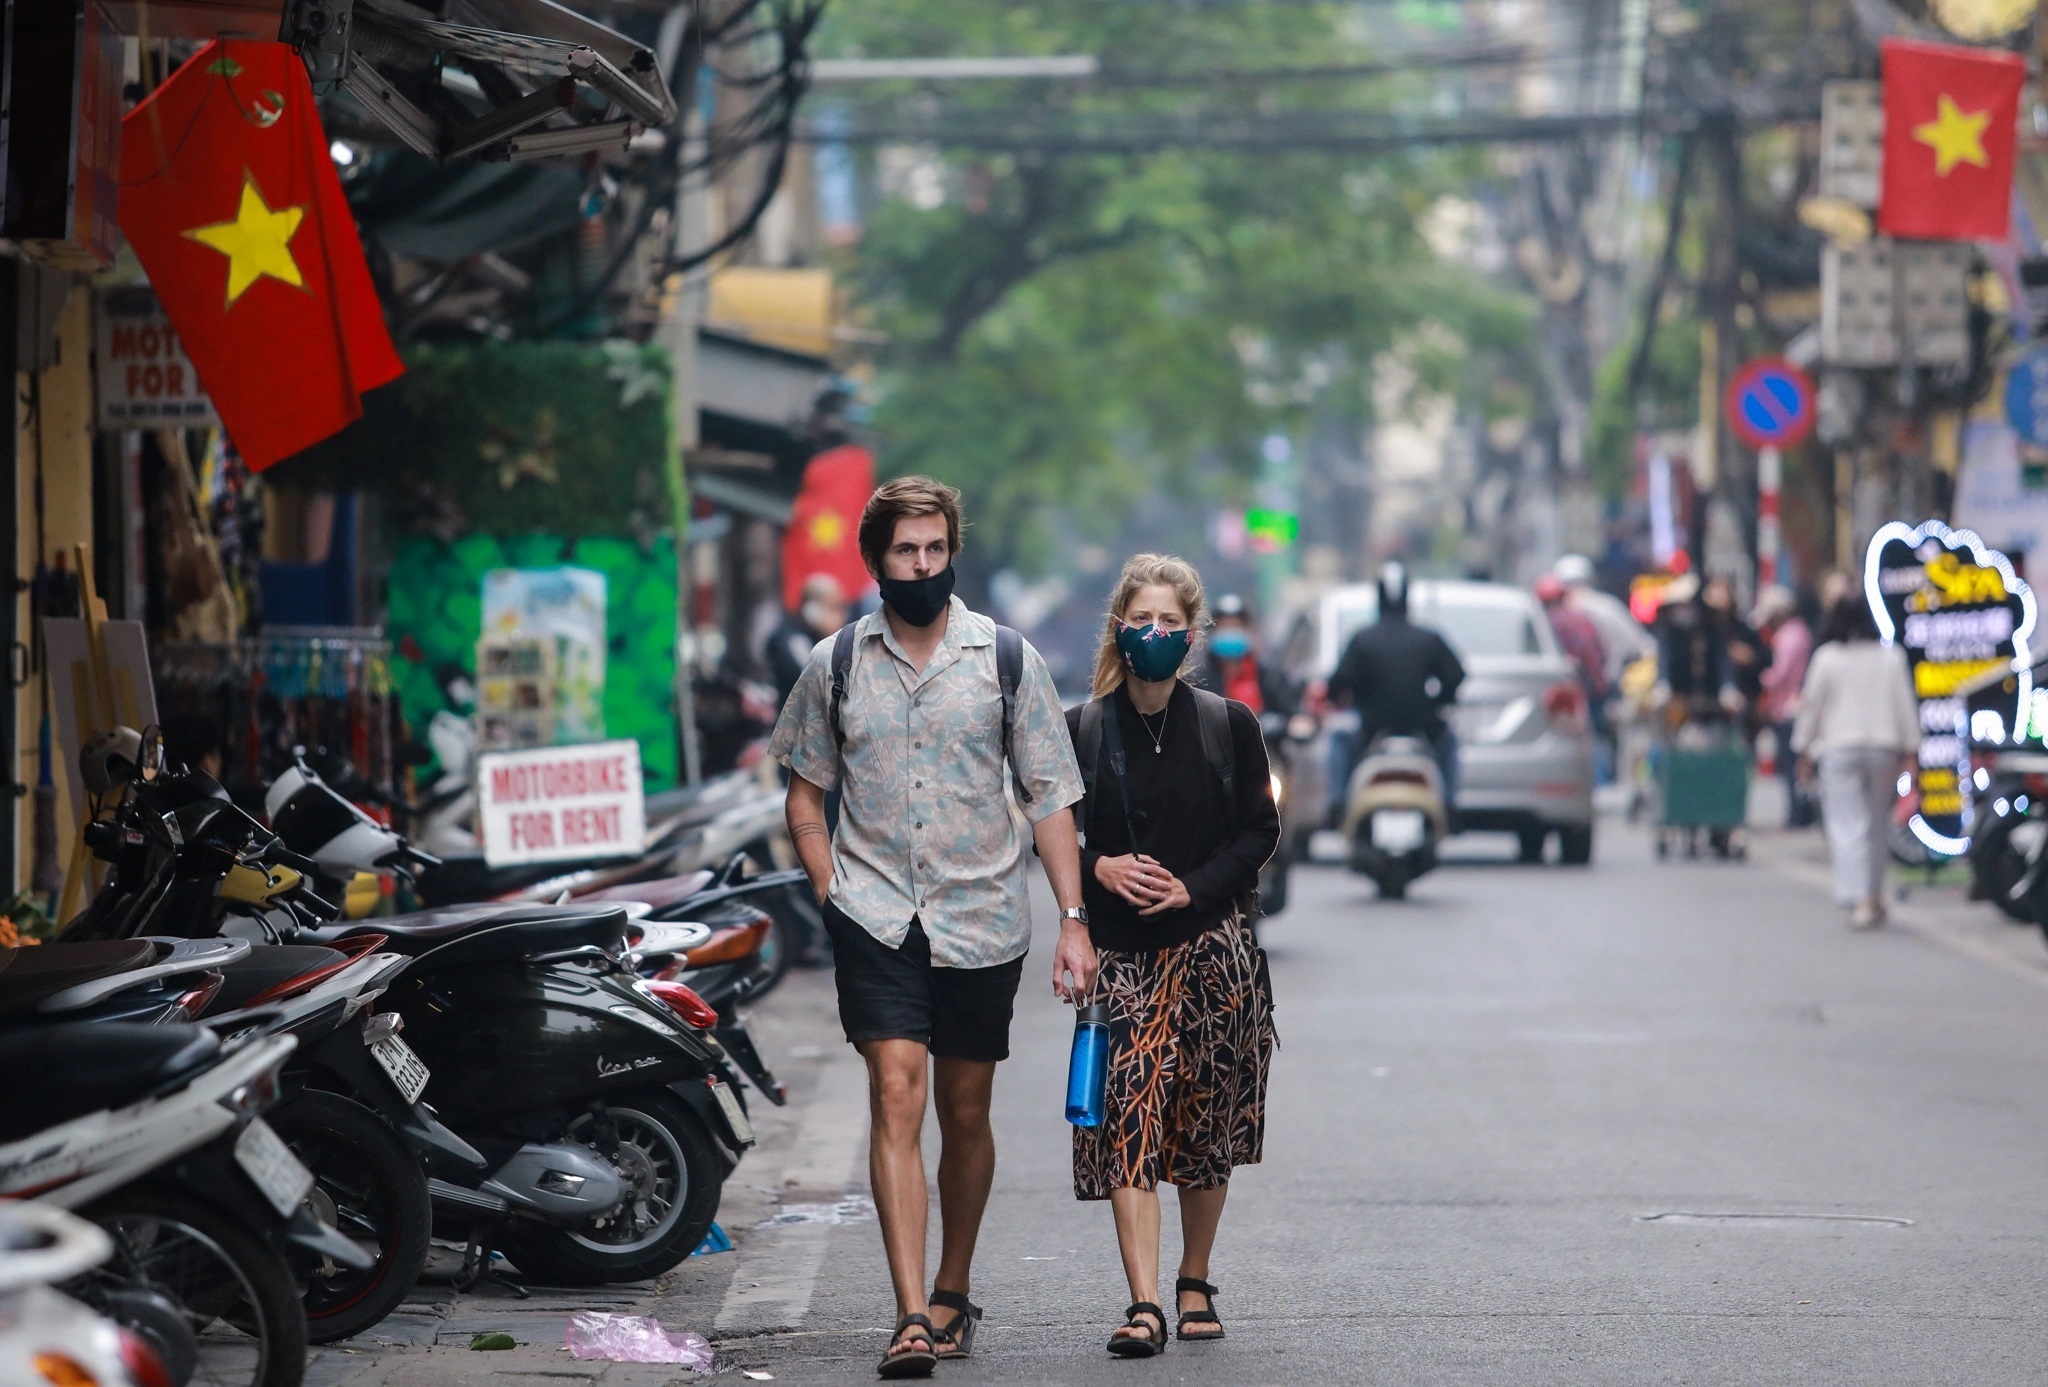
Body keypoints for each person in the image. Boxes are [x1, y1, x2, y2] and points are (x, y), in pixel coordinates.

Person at [769, 476, 1090, 1378]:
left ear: (953, 554)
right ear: (875, 560)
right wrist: (829, 883)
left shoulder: (1007, 659)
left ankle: (953, 1283)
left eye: (935, 550)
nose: (921, 565)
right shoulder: (834, 663)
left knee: (966, 1108)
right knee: (896, 1091)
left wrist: (1072, 920)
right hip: (875, 912)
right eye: (905, 551)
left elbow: (1051, 799)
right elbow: (804, 788)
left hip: (983, 915)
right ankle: (911, 1312)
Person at [1063, 554, 1279, 1359]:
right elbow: (1053, 834)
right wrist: (1099, 867)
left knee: (1204, 1125)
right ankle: (1144, 1300)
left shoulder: (1228, 726)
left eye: (1168, 624)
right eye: (1140, 619)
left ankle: (1195, 1279)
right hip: (1121, 958)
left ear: (1190, 637)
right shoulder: (1083, 727)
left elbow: (1261, 831)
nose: (1153, 635)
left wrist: (1193, 889)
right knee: (1127, 1118)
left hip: (1213, 954)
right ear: (1118, 623)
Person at [1790, 597, 1919, 929]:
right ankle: (1873, 895)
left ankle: (1858, 896)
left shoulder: (1827, 658)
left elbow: (1811, 707)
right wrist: (1912, 750)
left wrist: (1802, 749)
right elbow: (1905, 705)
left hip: (1839, 748)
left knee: (1848, 824)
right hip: (1883, 747)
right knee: (1876, 825)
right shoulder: (1891, 657)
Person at [1325, 562, 1465, 822]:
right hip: (1424, 728)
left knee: (1337, 738)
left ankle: (1338, 801)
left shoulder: (1362, 639)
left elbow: (1338, 683)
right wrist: (1439, 702)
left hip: (1369, 729)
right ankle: (1449, 805)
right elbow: (1456, 675)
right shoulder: (1428, 638)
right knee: (1451, 743)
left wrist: (1345, 698)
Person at [1753, 585, 1815, 827]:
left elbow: (1781, 674)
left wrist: (1763, 678)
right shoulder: (1799, 633)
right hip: (1789, 706)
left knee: (1791, 766)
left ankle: (1798, 815)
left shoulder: (1790, 636)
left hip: (1789, 708)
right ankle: (1798, 812)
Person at [1198, 593, 1295, 716]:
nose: (1230, 632)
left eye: (1236, 626)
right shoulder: (1198, 682)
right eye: (1224, 626)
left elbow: (1291, 712)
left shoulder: (1270, 678)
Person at [766, 574, 850, 708]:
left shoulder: (825, 638)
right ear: (813, 611)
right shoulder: (793, 639)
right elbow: (819, 681)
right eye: (834, 608)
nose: (842, 615)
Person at [1703, 575, 1771, 724]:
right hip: (1707, 709)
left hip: (1742, 709)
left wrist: (1751, 657)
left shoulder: (1743, 629)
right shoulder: (1702, 631)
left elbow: (1766, 659)